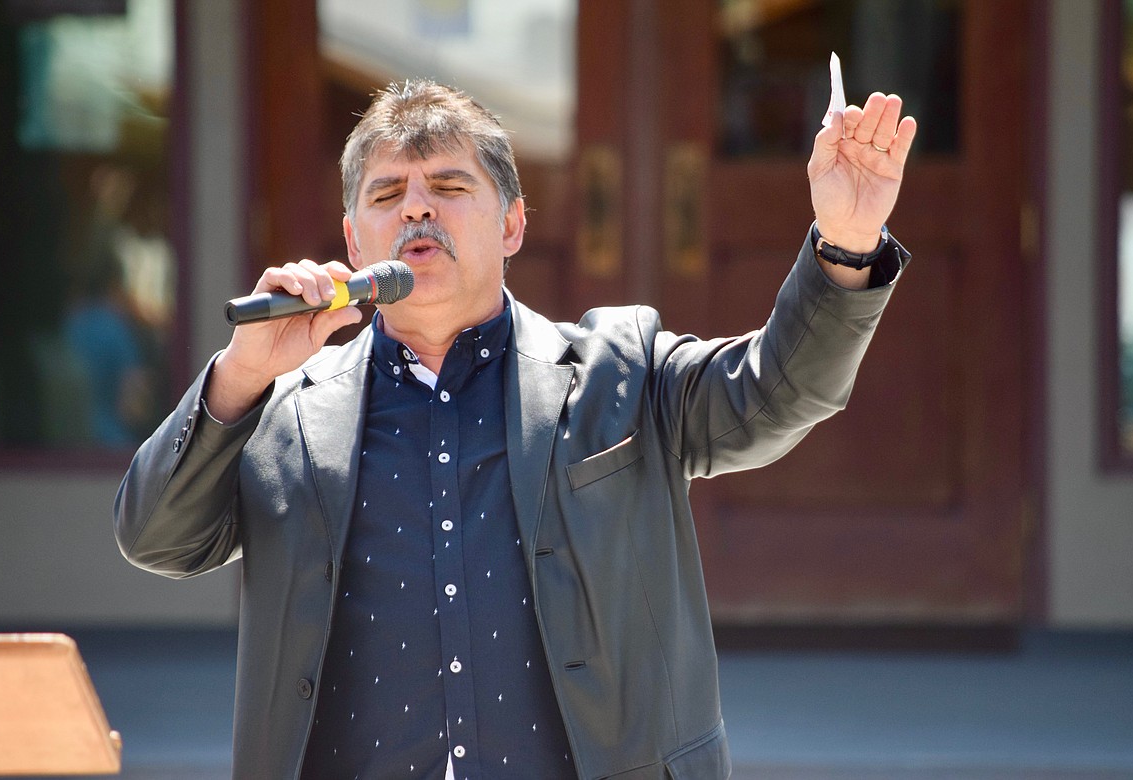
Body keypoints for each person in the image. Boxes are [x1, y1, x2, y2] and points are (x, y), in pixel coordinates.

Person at [115, 79, 916, 779]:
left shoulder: (620, 371)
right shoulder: (285, 412)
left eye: (449, 186)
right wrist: (243, 372)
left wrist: (845, 244)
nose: (417, 207)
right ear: (355, 240)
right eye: (388, 194)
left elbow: (778, 393)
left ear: (512, 226)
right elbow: (156, 539)